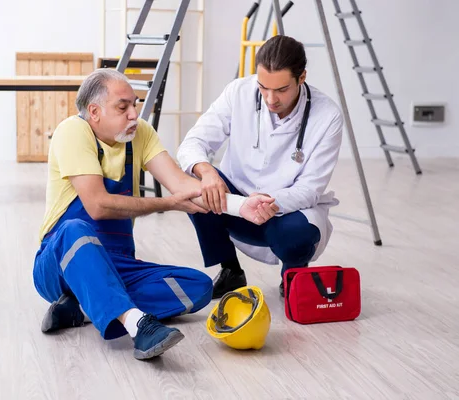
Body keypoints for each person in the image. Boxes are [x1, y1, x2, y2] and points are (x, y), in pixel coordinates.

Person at [31, 69, 271, 360]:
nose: (134, 114)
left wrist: (241, 206)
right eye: (123, 107)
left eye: (135, 103)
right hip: (60, 263)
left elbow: (183, 186)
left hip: (118, 265)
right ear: (94, 112)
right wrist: (167, 204)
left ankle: (81, 306)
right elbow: (97, 205)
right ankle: (138, 324)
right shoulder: (73, 131)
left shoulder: (140, 133)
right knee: (75, 228)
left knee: (198, 287)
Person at [177, 35, 343, 299]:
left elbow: (310, 189)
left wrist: (268, 200)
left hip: (285, 210)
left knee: (297, 237)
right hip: (235, 203)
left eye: (281, 90)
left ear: (301, 78)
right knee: (193, 185)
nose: (270, 98)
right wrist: (207, 172)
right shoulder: (238, 92)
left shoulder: (328, 115)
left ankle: (292, 275)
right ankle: (231, 270)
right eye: (263, 87)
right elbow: (193, 143)